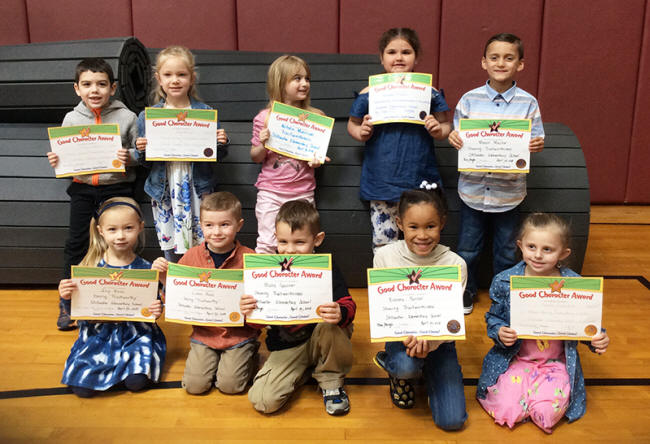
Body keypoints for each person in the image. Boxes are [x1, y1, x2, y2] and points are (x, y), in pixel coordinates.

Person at [477, 212, 610, 433]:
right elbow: (493, 318)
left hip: (555, 363)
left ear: (563, 253)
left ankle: (541, 396)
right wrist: (499, 331)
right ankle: (522, 395)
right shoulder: (505, 281)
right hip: (515, 359)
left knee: (546, 414)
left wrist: (597, 338)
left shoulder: (574, 284)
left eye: (547, 249)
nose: (538, 255)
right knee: (506, 407)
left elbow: (587, 326)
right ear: (520, 245)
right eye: (531, 247)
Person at [447, 33, 545, 314]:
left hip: (508, 194)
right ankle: (465, 293)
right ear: (484, 62)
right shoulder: (468, 100)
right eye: (494, 57)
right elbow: (458, 135)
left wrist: (535, 144)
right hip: (472, 192)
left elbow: (536, 139)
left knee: (505, 252)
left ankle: (502, 297)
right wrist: (455, 138)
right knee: (467, 250)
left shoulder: (528, 103)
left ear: (520, 64)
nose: (501, 62)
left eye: (509, 57)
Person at [47, 58, 139, 330]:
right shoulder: (71, 119)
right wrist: (57, 160)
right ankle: (68, 304)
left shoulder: (128, 117)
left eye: (101, 84)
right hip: (83, 190)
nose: (94, 90)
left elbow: (144, 154)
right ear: (77, 89)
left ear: (113, 87)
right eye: (87, 84)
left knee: (122, 242)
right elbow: (65, 159)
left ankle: (123, 298)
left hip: (118, 188)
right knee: (76, 244)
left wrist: (130, 156)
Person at [240, 200, 356, 415]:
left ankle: (331, 380)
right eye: (283, 241)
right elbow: (257, 323)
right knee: (263, 401)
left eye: (300, 242)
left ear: (317, 239)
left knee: (333, 325)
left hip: (323, 337)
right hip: (288, 344)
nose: (290, 249)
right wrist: (248, 312)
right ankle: (307, 370)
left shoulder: (327, 268)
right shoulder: (267, 272)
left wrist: (340, 312)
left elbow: (349, 304)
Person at [372, 183, 468, 430]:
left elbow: (452, 319)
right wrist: (408, 341)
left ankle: (422, 368)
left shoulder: (455, 264)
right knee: (406, 365)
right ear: (399, 223)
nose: (422, 235)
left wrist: (432, 343)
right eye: (413, 227)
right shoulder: (384, 257)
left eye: (430, 226)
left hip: (440, 342)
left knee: (452, 421)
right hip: (401, 337)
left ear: (442, 223)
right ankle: (398, 370)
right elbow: (385, 311)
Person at [347, 28, 451, 252]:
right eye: (391, 52)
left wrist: (437, 129)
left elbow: (446, 126)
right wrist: (361, 131)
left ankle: (418, 286)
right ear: (381, 58)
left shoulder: (429, 91)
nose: (399, 57)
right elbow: (352, 124)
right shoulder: (370, 91)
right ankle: (387, 285)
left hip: (418, 176)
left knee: (422, 239)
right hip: (382, 179)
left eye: (406, 52)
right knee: (384, 241)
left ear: (417, 57)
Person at [152, 192, 260, 395]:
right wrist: (164, 278)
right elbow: (178, 298)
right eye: (209, 225)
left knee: (230, 387)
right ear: (200, 225)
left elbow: (261, 304)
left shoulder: (251, 258)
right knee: (195, 387)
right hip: (204, 335)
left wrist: (251, 308)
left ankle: (250, 353)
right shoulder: (191, 256)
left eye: (225, 225)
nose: (216, 232)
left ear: (239, 225)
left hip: (239, 336)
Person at [58, 197, 166, 397]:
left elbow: (154, 308)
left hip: (135, 333)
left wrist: (156, 308)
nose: (121, 236)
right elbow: (75, 310)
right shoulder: (88, 269)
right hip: (98, 335)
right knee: (83, 390)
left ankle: (128, 367)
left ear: (140, 227)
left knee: (136, 383)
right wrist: (65, 296)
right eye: (112, 229)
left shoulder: (145, 269)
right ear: (101, 231)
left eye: (128, 228)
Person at [135, 46, 228, 262]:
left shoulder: (205, 113)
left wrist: (221, 143)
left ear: (192, 78)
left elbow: (217, 156)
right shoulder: (148, 117)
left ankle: (201, 287)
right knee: (171, 241)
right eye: (168, 75)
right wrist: (141, 150)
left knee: (204, 240)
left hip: (197, 186)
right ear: (158, 78)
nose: (174, 80)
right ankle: (175, 288)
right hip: (165, 187)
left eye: (181, 74)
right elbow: (145, 163)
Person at [250, 55, 328, 253]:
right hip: (271, 192)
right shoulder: (264, 117)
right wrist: (262, 143)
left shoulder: (317, 117)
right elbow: (256, 157)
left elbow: (316, 160)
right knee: (267, 243)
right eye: (297, 79)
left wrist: (317, 162)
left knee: (303, 244)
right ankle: (263, 283)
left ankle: (303, 282)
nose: (304, 84)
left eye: (307, 79)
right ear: (279, 82)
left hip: (302, 192)